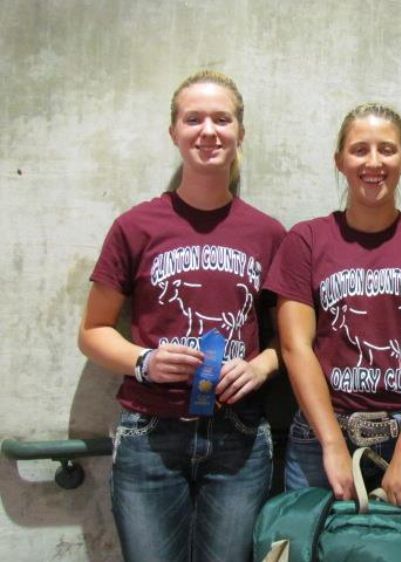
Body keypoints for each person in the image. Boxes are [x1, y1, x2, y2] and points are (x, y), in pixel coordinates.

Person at [78, 70, 285, 562]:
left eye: (222, 118)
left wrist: (259, 366)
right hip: (151, 434)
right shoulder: (135, 226)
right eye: (193, 119)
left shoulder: (269, 233)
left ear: (240, 132)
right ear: (174, 132)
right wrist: (143, 361)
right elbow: (92, 331)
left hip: (238, 435)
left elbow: (290, 341)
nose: (208, 131)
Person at [264, 103, 401, 506]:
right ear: (339, 160)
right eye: (359, 149)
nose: (373, 161)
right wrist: (331, 443)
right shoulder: (305, 240)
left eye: (387, 150)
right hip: (321, 437)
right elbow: (294, 346)